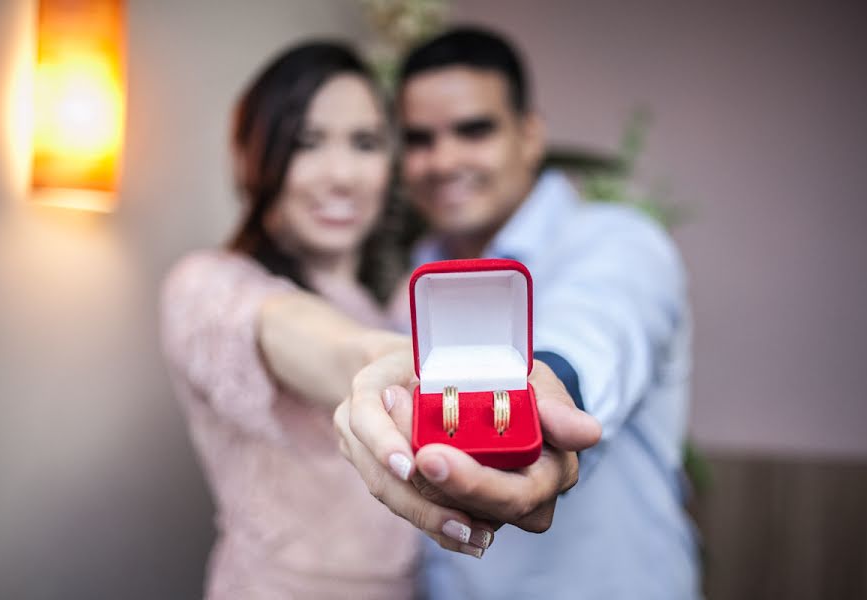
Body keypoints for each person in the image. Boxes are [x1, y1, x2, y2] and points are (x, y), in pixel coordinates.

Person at [333, 26, 701, 598]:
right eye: (420, 139)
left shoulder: (619, 240)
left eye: (474, 130)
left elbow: (599, 326)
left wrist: (551, 387)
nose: (444, 159)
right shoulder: (417, 281)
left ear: (530, 135)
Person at [160, 42, 434, 599]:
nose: (342, 176)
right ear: (252, 156)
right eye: (308, 144)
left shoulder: (392, 301)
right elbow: (330, 348)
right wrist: (394, 371)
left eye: (365, 143)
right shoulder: (207, 286)